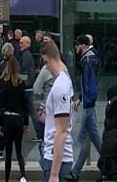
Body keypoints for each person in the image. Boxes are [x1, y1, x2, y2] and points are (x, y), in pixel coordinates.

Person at [39, 40, 76, 182]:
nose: (46, 67)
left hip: (56, 159)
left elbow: (61, 130)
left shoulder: (61, 86)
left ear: (50, 57)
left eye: (45, 62)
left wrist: (54, 174)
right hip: (56, 156)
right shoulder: (64, 81)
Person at [72, 34, 102, 178]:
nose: (76, 47)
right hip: (88, 101)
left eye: (77, 45)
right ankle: (76, 171)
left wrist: (85, 99)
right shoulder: (91, 57)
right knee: (92, 136)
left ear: (82, 45)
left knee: (83, 136)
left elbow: (89, 83)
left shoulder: (88, 60)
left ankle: (75, 171)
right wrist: (81, 98)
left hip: (88, 103)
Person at [0, 51, 29, 182]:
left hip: (7, 119)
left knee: (8, 153)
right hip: (18, 119)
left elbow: (0, 105)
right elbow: (25, 105)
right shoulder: (21, 83)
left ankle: (7, 179)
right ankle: (23, 176)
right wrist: (26, 122)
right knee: (19, 151)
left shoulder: (4, 84)